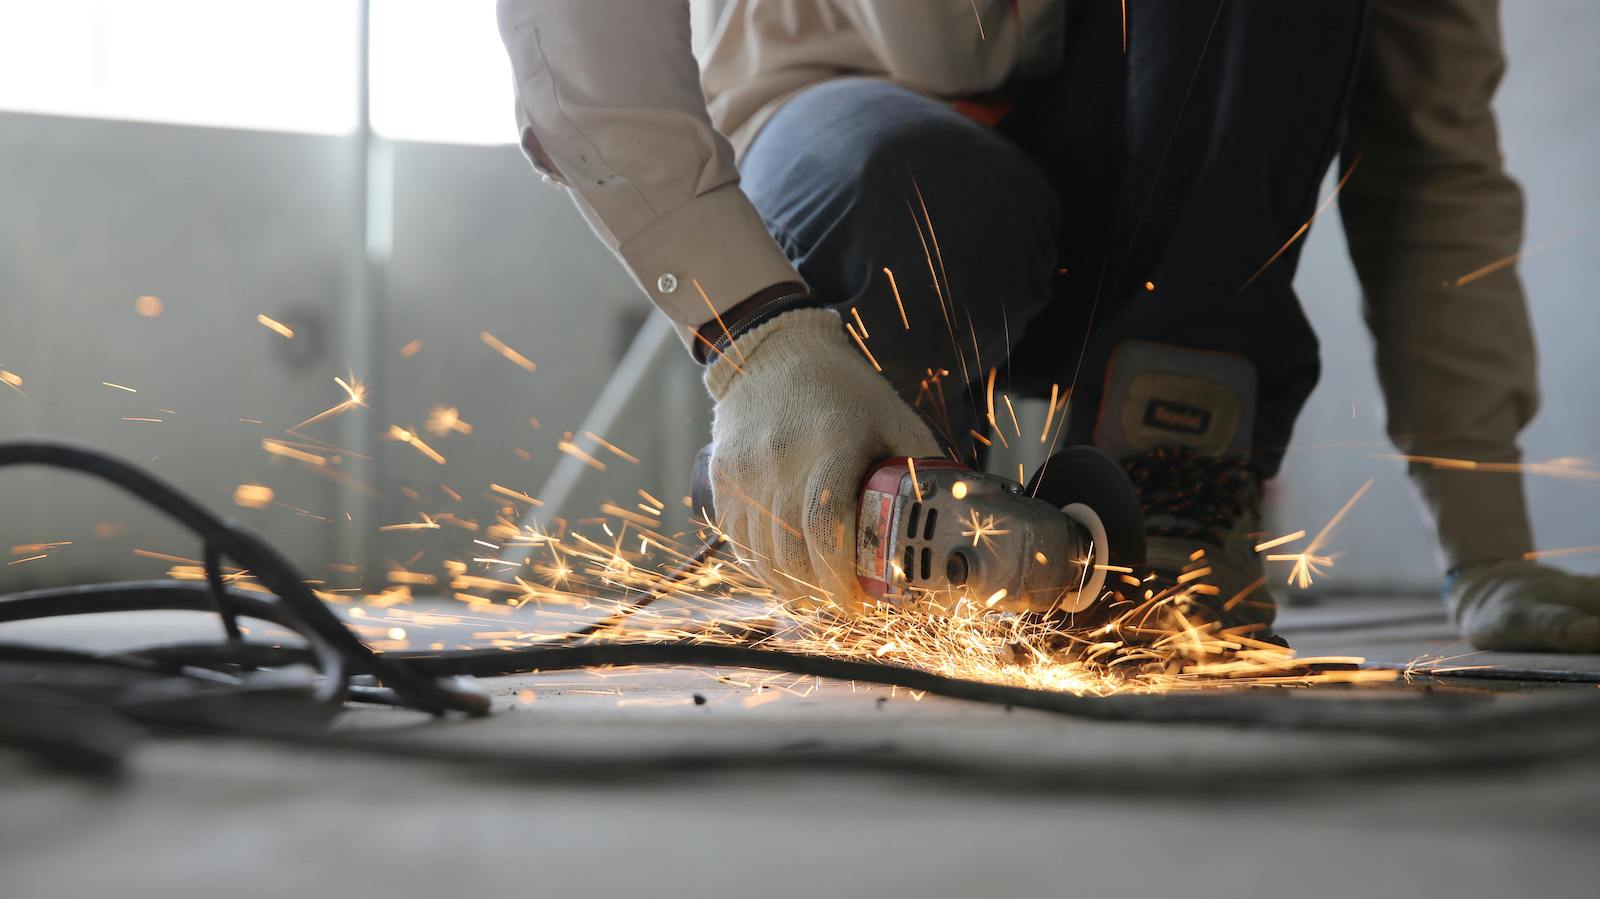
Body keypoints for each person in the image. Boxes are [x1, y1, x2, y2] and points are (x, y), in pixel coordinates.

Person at [497, 0, 1600, 652]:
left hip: (1167, 219)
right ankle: (871, 489)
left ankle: (1173, 475)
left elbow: (1429, 159)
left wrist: (1489, 539)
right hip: (858, 145)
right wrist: (757, 337)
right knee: (916, 189)